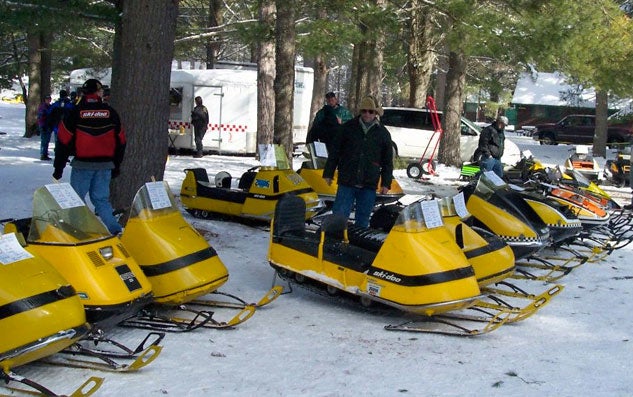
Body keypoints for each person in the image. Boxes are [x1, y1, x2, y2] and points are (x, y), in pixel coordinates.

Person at [52, 78, 126, 235]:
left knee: (75, 200)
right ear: (98, 93)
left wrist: (58, 168)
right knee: (101, 200)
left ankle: (79, 232)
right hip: (105, 165)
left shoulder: (75, 113)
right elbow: (121, 141)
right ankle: (115, 230)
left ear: (83, 93)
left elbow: (62, 142)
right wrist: (116, 165)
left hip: (82, 165)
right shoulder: (111, 113)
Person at [323, 95, 393, 228]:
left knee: (363, 220)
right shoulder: (347, 128)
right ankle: (335, 243)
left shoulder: (383, 133)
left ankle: (357, 245)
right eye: (364, 111)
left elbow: (387, 161)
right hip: (347, 181)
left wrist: (386, 183)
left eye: (370, 111)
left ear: (375, 113)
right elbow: (335, 152)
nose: (367, 114)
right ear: (360, 112)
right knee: (339, 217)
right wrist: (328, 172)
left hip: (369, 183)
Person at [37, 94, 52, 160]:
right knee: (44, 140)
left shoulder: (50, 106)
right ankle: (43, 154)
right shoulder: (42, 107)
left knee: (47, 140)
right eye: (47, 99)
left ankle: (45, 153)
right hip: (43, 125)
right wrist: (42, 125)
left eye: (49, 99)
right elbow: (40, 117)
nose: (48, 100)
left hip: (48, 125)